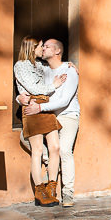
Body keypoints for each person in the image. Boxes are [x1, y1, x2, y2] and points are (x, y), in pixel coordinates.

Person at [21, 39, 79, 207]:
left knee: (65, 150)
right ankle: (50, 162)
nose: (43, 49)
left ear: (57, 52)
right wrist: (20, 98)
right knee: (24, 137)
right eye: (42, 46)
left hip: (67, 115)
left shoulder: (70, 71)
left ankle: (67, 193)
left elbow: (64, 100)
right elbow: (28, 87)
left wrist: (39, 107)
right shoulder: (43, 70)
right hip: (49, 115)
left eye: (47, 47)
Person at [13, 36, 65, 206]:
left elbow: (56, 68)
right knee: (37, 151)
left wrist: (69, 66)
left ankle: (51, 187)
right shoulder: (20, 65)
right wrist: (53, 86)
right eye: (41, 46)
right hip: (32, 108)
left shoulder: (41, 66)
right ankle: (39, 191)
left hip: (45, 106)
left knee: (55, 147)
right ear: (32, 47)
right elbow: (33, 88)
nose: (43, 49)